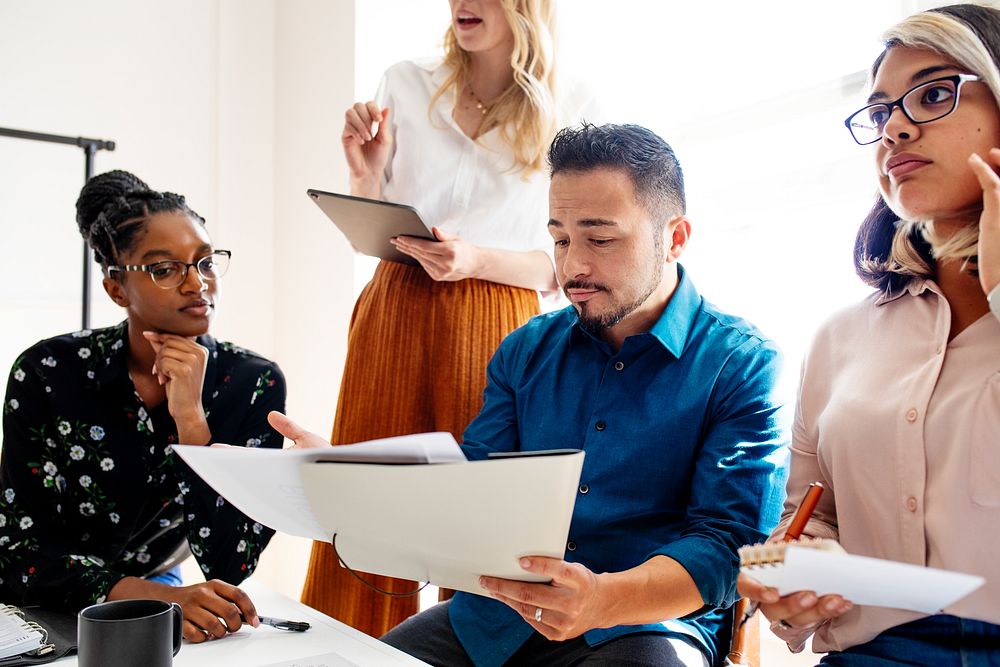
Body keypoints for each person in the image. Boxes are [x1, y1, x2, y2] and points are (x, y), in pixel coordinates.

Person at [271, 123, 788, 666]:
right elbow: (471, 493)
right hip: (495, 620)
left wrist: (602, 600)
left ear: (675, 238)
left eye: (600, 239)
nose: (572, 267)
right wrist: (345, 478)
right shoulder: (524, 351)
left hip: (642, 627)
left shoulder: (744, 363)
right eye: (560, 239)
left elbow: (732, 550)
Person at [303, 0, 598, 637]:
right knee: (365, 504)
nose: (464, 3)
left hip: (499, 320)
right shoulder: (404, 81)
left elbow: (564, 266)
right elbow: (372, 231)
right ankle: (345, 653)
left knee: (476, 521)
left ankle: (469, 650)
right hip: (396, 306)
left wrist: (474, 259)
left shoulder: (572, 104)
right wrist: (366, 169)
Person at [737, 4, 1000, 665]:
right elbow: (804, 519)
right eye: (882, 113)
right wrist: (796, 571)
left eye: (934, 94)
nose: (898, 126)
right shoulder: (837, 338)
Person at [0, 170, 287, 643]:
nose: (197, 284)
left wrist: (192, 422)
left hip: (158, 590)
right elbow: (21, 549)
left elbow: (230, 562)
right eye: (164, 269)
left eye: (205, 262)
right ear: (116, 288)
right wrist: (155, 597)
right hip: (41, 599)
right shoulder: (48, 371)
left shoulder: (253, 384)